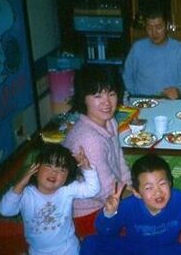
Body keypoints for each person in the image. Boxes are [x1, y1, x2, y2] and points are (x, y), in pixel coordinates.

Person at [80, 153, 181, 255]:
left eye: (162, 184)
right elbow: (106, 232)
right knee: (91, 243)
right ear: (137, 192)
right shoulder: (128, 205)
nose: (158, 192)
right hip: (134, 249)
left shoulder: (180, 198)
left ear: (170, 183)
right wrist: (109, 214)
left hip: (167, 249)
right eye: (149, 188)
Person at [63, 66, 132, 236]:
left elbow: (120, 162)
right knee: (145, 227)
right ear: (83, 99)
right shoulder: (89, 139)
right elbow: (104, 190)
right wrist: (137, 199)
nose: (106, 102)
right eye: (97, 96)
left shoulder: (109, 122)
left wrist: (130, 187)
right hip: (86, 213)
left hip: (109, 198)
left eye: (111, 93)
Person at [0, 144, 100, 255]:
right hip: (38, 251)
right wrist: (21, 184)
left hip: (67, 247)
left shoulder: (67, 190)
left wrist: (86, 168)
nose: (54, 172)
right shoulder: (25, 194)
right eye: (48, 166)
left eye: (62, 170)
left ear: (67, 177)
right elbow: (5, 210)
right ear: (35, 170)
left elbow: (92, 189)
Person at [122, 7, 181, 99]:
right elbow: (127, 75)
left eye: (158, 27)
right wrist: (133, 95)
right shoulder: (138, 48)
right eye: (149, 28)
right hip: (142, 101)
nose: (154, 33)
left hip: (170, 101)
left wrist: (179, 90)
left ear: (167, 25)